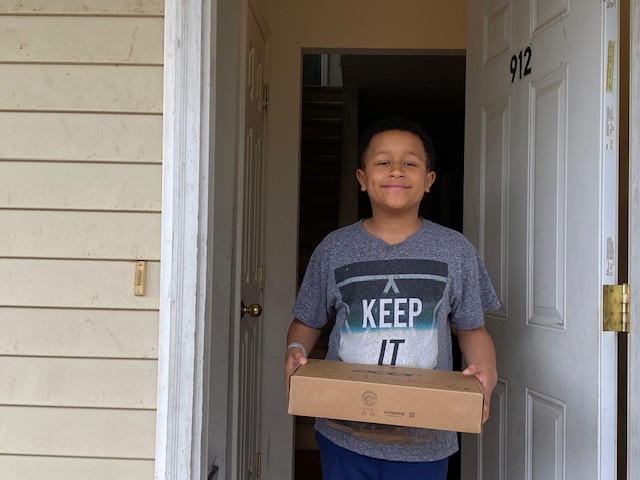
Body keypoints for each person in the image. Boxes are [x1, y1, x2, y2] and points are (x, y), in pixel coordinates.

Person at [284, 116, 500, 479]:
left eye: (410, 163)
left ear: (428, 180)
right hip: (344, 432)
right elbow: (307, 321)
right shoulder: (334, 249)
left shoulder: (455, 250)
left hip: (426, 438)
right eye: (383, 162)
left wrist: (487, 373)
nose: (396, 171)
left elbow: (472, 329)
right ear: (362, 179)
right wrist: (295, 351)